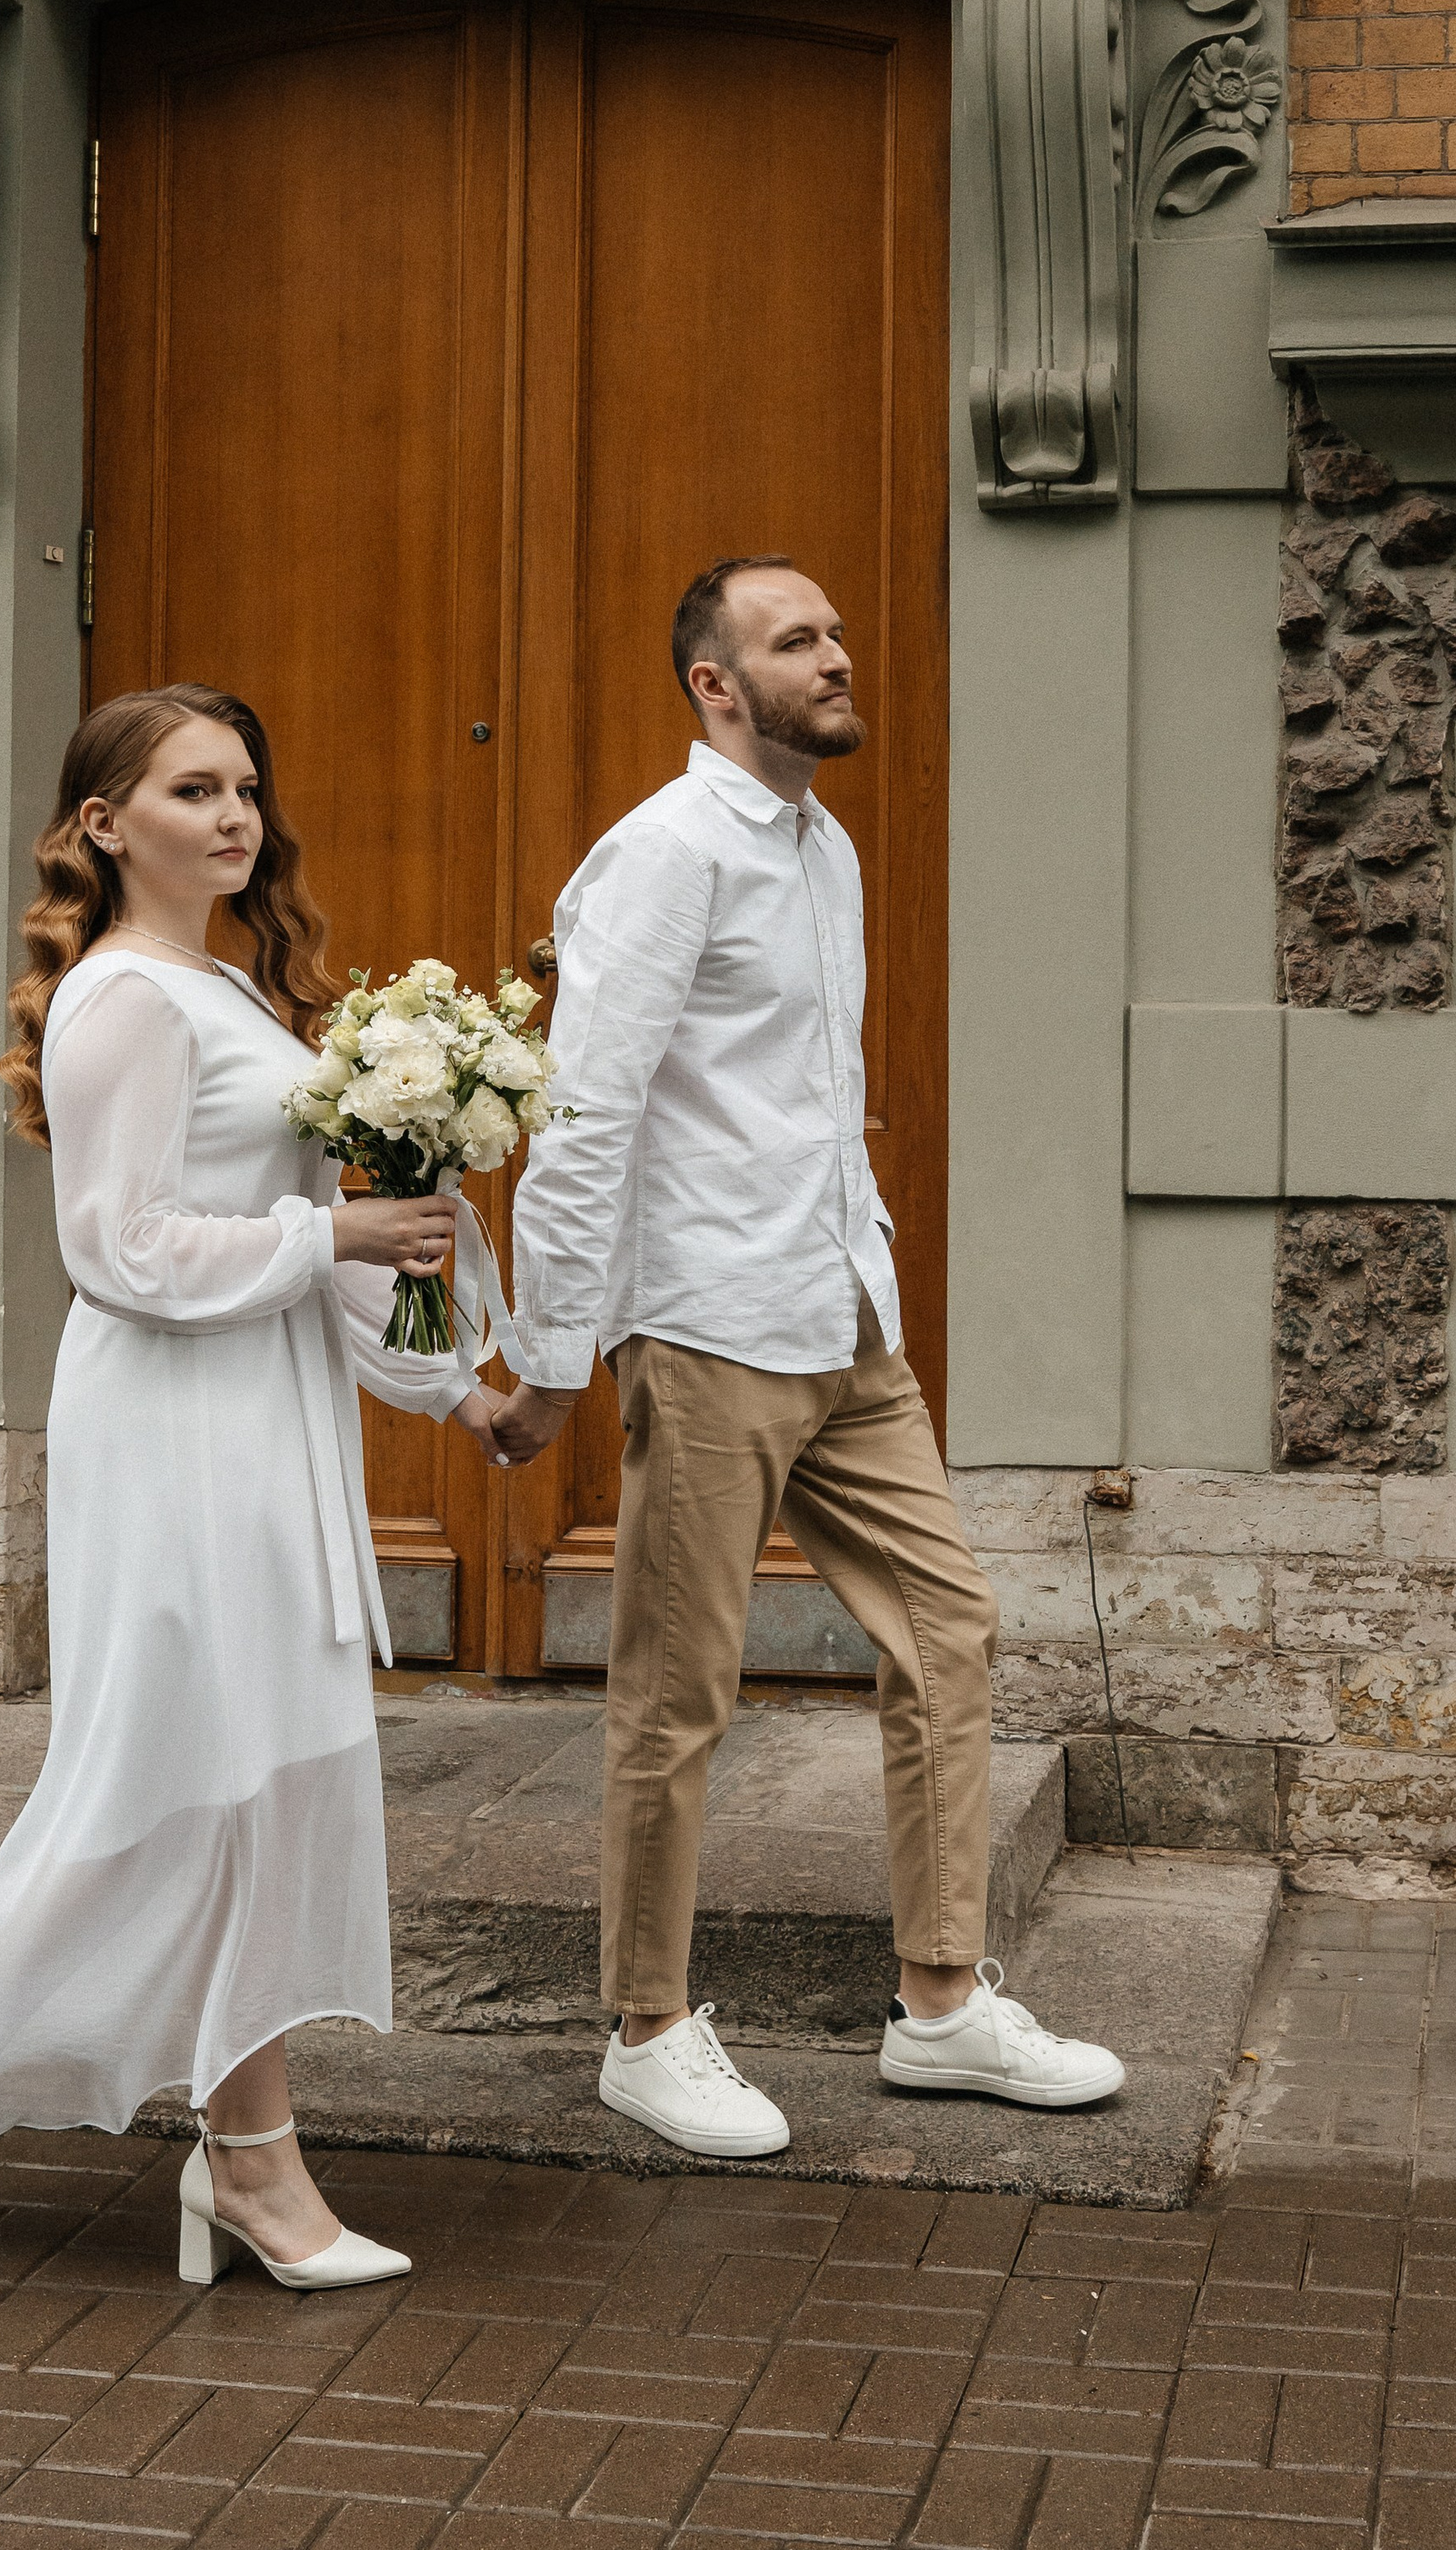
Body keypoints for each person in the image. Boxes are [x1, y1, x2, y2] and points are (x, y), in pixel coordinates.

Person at [0, 686, 504, 2281]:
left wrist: (465, 1392)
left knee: (252, 1772)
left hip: (260, 1413)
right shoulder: (122, 998)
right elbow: (112, 1249)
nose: (236, 817)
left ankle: (236, 2155)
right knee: (156, 1774)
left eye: (247, 788)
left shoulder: (241, 992)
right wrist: (335, 1233)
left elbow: (305, 1233)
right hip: (166, 1425)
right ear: (106, 825)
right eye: (194, 791)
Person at [492, 558, 1125, 2155]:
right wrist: (557, 1358)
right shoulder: (661, 857)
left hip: (845, 1318)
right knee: (678, 1691)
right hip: (705, 1329)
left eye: (839, 630)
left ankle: (941, 2006)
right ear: (716, 683)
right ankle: (645, 2028)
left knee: (950, 1632)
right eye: (798, 642)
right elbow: (580, 1121)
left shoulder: (823, 845)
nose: (840, 658)